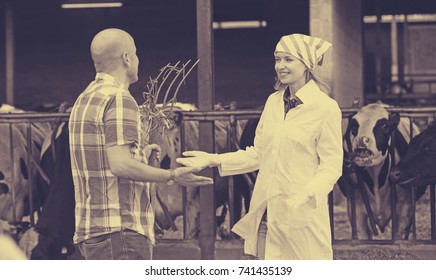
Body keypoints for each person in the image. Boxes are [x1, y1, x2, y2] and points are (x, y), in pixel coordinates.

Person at [177, 34, 343, 260]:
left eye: (288, 59)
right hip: (267, 214)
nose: (280, 66)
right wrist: (213, 160)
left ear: (306, 64)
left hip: (303, 216)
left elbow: (332, 166)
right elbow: (258, 154)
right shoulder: (273, 102)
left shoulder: (325, 107)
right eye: (277, 59)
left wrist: (309, 192)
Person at [68, 28, 212, 260]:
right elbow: (120, 166)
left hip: (93, 231)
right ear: (127, 58)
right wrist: (172, 175)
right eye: (135, 53)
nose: (137, 59)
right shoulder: (119, 98)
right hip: (121, 232)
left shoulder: (84, 99)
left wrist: (140, 155)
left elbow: (106, 160)